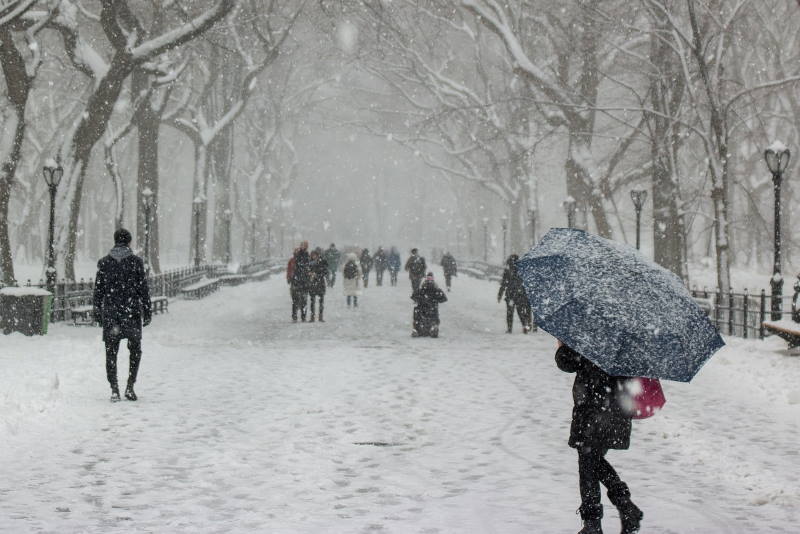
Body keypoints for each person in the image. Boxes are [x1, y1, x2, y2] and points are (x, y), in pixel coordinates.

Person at [555, 342, 642, 534]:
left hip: (593, 406)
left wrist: (562, 347)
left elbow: (567, 362)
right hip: (617, 404)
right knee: (591, 460)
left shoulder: (589, 332)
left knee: (588, 461)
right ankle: (624, 510)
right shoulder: (627, 337)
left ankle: (596, 523)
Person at [93, 228, 151, 402]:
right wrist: (147, 310)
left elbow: (98, 290)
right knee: (135, 350)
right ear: (129, 242)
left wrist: (97, 310)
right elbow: (143, 289)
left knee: (111, 352)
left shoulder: (104, 263)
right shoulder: (136, 263)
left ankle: (114, 389)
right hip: (131, 313)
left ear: (115, 240)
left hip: (112, 313)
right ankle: (130, 386)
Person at [498, 254, 534, 334]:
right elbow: (525, 283)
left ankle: (509, 329)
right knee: (520, 312)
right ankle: (525, 326)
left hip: (510, 295)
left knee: (510, 313)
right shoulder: (521, 270)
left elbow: (503, 284)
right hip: (519, 295)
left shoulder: (508, 271)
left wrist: (500, 294)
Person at [411, 272, 447, 337]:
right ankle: (420, 329)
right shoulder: (428, 289)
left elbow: (414, 296)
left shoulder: (430, 289)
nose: (429, 280)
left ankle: (420, 329)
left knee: (418, 314)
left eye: (430, 278)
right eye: (428, 278)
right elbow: (414, 296)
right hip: (428, 308)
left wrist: (419, 299)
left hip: (426, 308)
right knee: (418, 312)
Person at [288, 242, 310, 322]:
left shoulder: (307, 256)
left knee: (304, 300)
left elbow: (308, 268)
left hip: (303, 281)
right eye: (302, 245)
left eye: (304, 246)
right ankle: (294, 316)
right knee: (295, 300)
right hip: (297, 280)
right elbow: (292, 268)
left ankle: (303, 316)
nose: (302, 247)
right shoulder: (297, 256)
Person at [308, 249, 328, 322]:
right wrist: (309, 273)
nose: (314, 257)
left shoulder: (322, 262)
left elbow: (325, 272)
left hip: (320, 283)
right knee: (312, 301)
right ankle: (312, 317)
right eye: (312, 255)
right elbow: (307, 271)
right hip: (312, 283)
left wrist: (317, 274)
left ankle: (320, 316)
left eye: (315, 255)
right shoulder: (309, 263)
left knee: (321, 301)